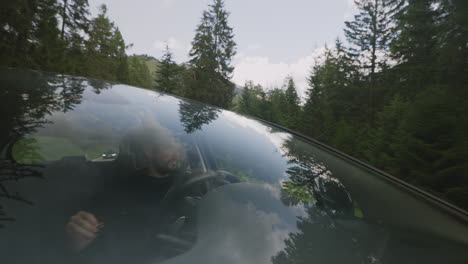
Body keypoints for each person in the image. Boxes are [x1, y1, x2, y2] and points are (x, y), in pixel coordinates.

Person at [64, 124, 187, 262]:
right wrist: (79, 237)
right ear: (149, 152)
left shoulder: (189, 182)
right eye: (168, 147)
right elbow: (92, 235)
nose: (176, 153)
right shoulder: (121, 187)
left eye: (178, 147)